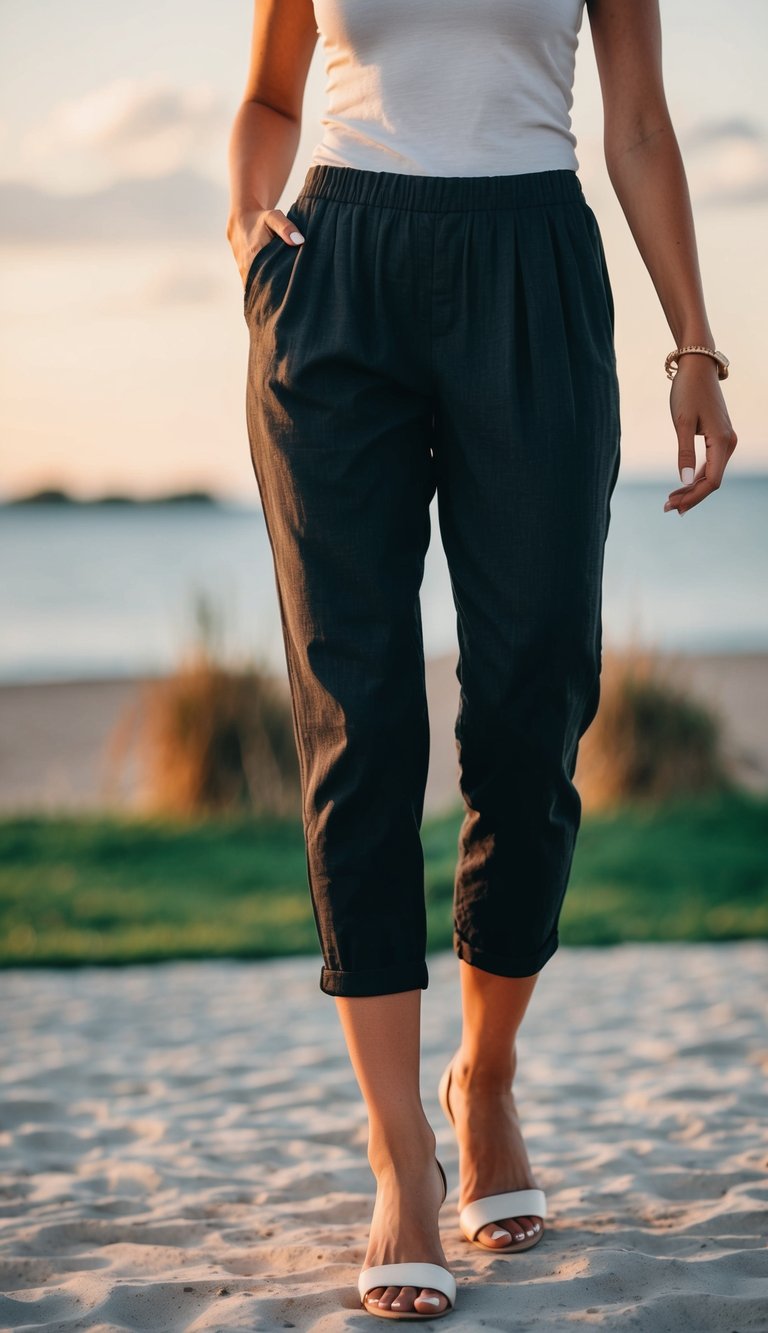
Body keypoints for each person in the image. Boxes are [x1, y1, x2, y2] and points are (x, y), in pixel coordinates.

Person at [226, 0, 738, 1320]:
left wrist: (693, 340)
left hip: (532, 264)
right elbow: (272, 95)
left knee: (536, 689)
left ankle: (486, 1072)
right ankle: (400, 1149)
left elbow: (637, 122)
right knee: (358, 713)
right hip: (336, 273)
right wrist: (245, 222)